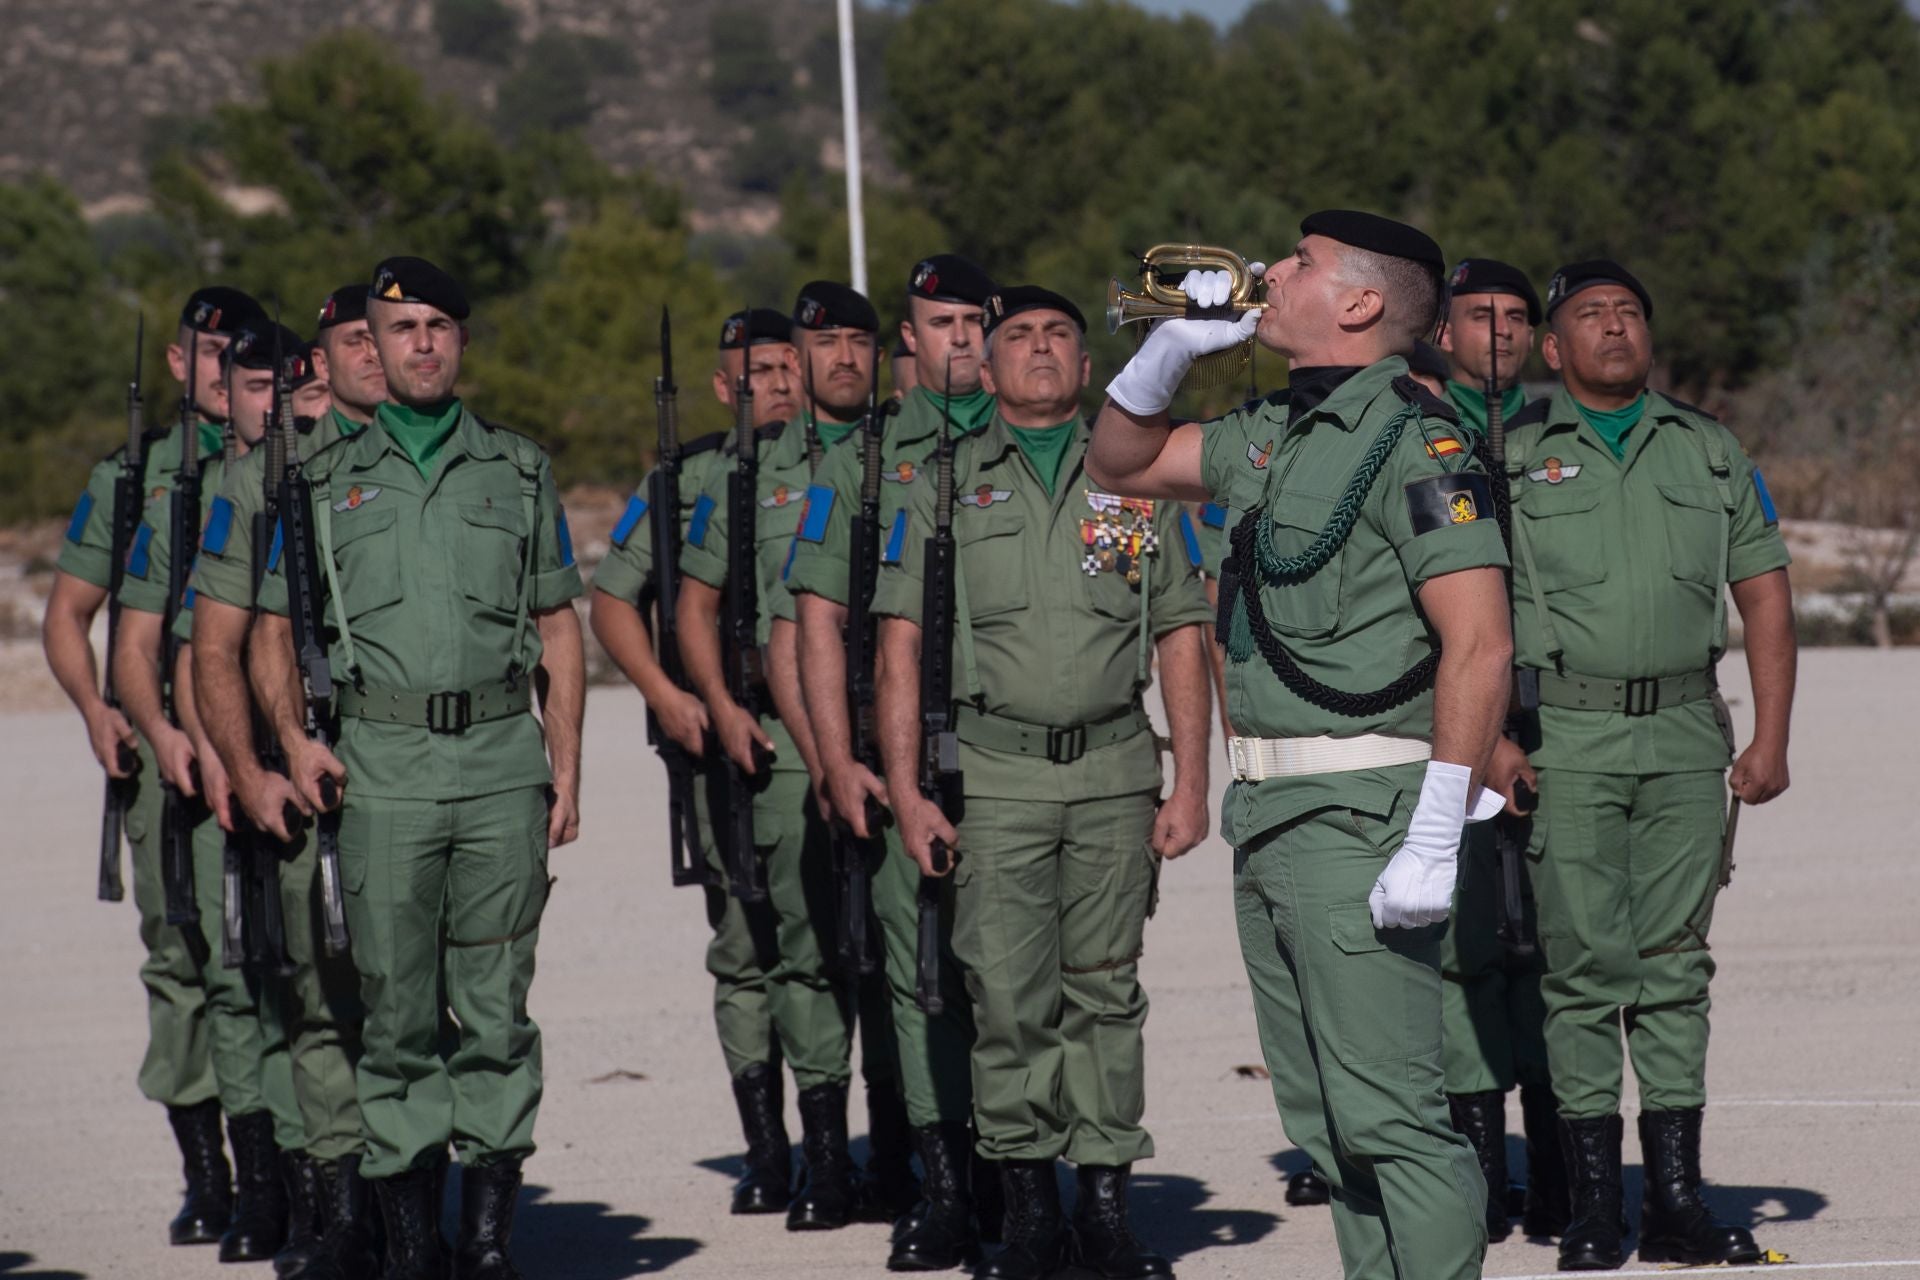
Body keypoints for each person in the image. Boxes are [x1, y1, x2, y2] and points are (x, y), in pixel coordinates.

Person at [1089, 210, 1518, 1280]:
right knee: (1329, 1129)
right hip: (1272, 812)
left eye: (1302, 264)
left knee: (1395, 1123)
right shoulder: (1275, 428)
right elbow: (1122, 461)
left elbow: (1481, 641)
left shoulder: (1420, 437)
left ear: (1362, 303)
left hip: (1363, 812)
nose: (1270, 273)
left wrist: (1435, 826)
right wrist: (1165, 357)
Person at [251, 256, 587, 1280]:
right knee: (394, 1012)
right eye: (403, 330)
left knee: (494, 1008)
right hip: (382, 767)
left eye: (441, 325)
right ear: (374, 346)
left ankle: (484, 1243)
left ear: (462, 340)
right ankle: (408, 1244)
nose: (424, 343)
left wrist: (566, 759)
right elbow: (270, 630)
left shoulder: (519, 469)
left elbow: (558, 624)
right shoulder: (314, 479)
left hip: (497, 762)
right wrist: (295, 737)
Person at [877, 285, 1213, 1280]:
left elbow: (1181, 632)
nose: (1035, 349)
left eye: (1056, 336)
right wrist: (907, 788)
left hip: (1115, 771)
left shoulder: (1139, 478)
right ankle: (1027, 1211)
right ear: (984, 366)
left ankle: (1105, 1208)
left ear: (1086, 366)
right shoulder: (937, 483)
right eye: (1013, 336)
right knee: (1010, 999)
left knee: (1106, 995)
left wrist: (1190, 778)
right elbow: (898, 645)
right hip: (999, 773)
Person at [1500, 260, 1793, 1271]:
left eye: (1629, 311)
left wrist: (1771, 737)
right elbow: (1472, 607)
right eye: (1591, 315)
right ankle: (1591, 1206)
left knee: (1675, 968)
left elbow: (1762, 591)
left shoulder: (1709, 448)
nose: (1615, 327)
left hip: (1682, 735)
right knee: (1582, 972)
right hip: (1566, 739)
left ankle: (1674, 1199)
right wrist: (1495, 734)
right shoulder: (1513, 454)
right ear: (1553, 347)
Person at [786, 254, 1006, 1269]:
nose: (960, 337)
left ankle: (1022, 1171)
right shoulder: (864, 463)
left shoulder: (1040, 440)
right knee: (922, 982)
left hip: (1016, 755)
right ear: (907, 342)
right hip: (903, 758)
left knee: (1015, 976)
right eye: (940, 322)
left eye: (975, 319)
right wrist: (836, 757)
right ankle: (948, 1181)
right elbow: (819, 623)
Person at [44, 287, 267, 1251]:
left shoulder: (291, 453)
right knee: (182, 960)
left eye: (240, 355)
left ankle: (279, 1167)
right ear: (181, 365)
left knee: (267, 961)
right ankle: (206, 1171)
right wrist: (99, 709)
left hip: (262, 752)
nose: (223, 370)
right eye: (208, 354)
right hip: (165, 756)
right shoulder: (134, 479)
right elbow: (68, 616)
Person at [590, 307, 806, 1217]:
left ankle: (871, 1149)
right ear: (724, 387)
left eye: (792, 365)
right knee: (745, 948)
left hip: (829, 733)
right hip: (722, 739)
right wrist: (668, 696)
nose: (782, 383)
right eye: (759, 371)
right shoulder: (683, 480)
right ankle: (767, 1151)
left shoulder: (856, 464)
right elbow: (613, 599)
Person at [189, 290, 386, 1278]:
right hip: (291, 767)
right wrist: (239, 762)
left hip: (399, 768)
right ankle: (315, 1206)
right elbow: (202, 646)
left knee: (402, 999)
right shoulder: (247, 485)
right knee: (299, 994)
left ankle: (409, 1212)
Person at [676, 282, 878, 1233]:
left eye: (856, 341)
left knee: (903, 956)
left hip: (900, 733)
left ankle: (926, 1152)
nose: (840, 358)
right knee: (802, 954)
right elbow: (693, 605)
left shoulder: (903, 452)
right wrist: (711, 703)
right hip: (791, 744)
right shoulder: (742, 475)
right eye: (820, 344)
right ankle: (823, 1159)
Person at [1430, 259, 1569, 1242]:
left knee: (1558, 951)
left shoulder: (1562, 435)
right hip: (1451, 729)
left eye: (1518, 316)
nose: (1501, 330)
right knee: (1462, 950)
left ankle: (1563, 1171)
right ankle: (1478, 1175)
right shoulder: (1412, 435)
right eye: (1479, 314)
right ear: (1440, 331)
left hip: (1563, 729)